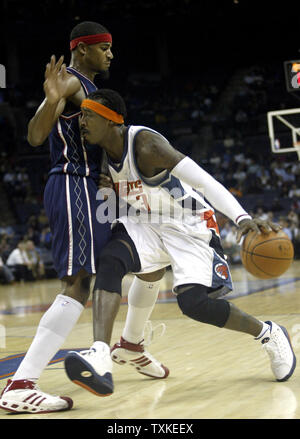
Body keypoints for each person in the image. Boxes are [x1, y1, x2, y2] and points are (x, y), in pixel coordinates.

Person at [64, 88, 296, 397]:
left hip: (189, 224)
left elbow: (204, 181)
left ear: (110, 119)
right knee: (111, 259)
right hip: (148, 221)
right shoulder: (106, 154)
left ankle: (268, 333)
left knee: (194, 304)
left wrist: (241, 218)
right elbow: (126, 196)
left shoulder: (146, 145)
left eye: (89, 115)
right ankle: (101, 354)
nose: (82, 122)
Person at [0, 21, 167, 415]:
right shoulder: (73, 82)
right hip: (73, 183)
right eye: (104, 47)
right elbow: (36, 137)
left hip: (92, 188)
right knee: (77, 283)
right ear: (82, 49)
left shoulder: (90, 88)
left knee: (140, 262)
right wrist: (50, 100)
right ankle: (22, 384)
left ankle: (130, 344)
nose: (111, 54)